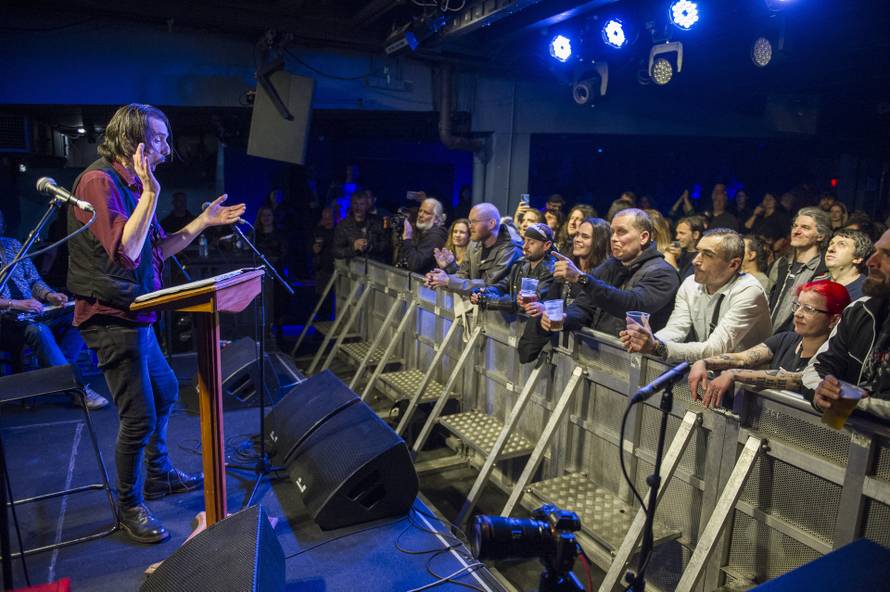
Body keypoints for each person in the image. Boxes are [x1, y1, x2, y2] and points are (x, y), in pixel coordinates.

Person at [69, 103, 246, 544]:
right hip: (111, 319)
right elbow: (126, 252)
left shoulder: (131, 184)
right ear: (134, 142)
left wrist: (202, 222)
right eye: (161, 139)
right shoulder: (98, 182)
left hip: (136, 315)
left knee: (166, 392)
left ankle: (160, 473)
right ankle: (129, 505)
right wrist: (150, 193)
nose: (168, 148)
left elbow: (155, 252)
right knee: (138, 418)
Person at [0, 211, 108, 409]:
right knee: (38, 331)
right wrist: (14, 303)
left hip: (32, 310)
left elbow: (33, 280)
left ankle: (59, 367)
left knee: (81, 311)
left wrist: (50, 295)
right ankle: (77, 390)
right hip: (6, 321)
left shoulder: (12, 245)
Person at [688, 280, 848, 408]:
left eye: (809, 309)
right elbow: (743, 358)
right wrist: (704, 362)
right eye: (797, 306)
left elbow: (798, 379)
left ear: (834, 320)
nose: (798, 314)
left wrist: (733, 374)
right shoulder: (786, 339)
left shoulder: (833, 358)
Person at [620, 229, 772, 363]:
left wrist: (657, 347)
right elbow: (676, 330)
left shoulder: (749, 291)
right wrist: (645, 340)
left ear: (733, 264)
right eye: (698, 252)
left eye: (707, 255)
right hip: (709, 373)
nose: (695, 260)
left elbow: (716, 349)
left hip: (748, 385)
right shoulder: (690, 284)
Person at [540, 209, 679, 337]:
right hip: (603, 354)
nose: (613, 238)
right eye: (613, 232)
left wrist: (581, 278)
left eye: (621, 232)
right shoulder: (612, 264)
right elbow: (584, 305)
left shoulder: (663, 273)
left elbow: (632, 305)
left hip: (635, 360)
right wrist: (566, 319)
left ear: (643, 237)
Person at [803, 229, 890, 421]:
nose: (871, 262)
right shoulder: (859, 310)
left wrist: (851, 401)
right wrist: (822, 390)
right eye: (876, 252)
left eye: (888, 255)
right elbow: (818, 367)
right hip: (848, 441)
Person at [425, 203, 522, 296]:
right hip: (478, 310)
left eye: (475, 222)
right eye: (470, 222)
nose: (470, 226)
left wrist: (448, 281)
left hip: (497, 312)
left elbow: (488, 284)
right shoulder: (473, 244)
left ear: (491, 223)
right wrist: (437, 278)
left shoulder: (511, 250)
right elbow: (463, 275)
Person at [769, 207, 832, 334]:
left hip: (795, 343)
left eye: (805, 227)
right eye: (795, 226)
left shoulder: (825, 271)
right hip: (766, 338)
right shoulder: (781, 264)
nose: (796, 231)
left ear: (820, 236)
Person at [471, 223, 556, 314]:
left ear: (546, 245)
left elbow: (527, 304)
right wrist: (482, 292)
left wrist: (486, 299)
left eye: (531, 243)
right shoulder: (521, 263)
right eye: (524, 240)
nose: (524, 246)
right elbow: (502, 286)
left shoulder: (551, 270)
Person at [332, 190, 388, 262]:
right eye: (355, 204)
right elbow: (336, 251)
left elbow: (386, 245)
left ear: (367, 205)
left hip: (374, 268)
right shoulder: (343, 225)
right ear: (351, 205)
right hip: (352, 269)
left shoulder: (377, 222)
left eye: (362, 204)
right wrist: (353, 248)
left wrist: (370, 246)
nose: (358, 207)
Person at [399, 197, 448, 274]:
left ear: (436, 219)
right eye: (420, 211)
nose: (420, 215)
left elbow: (415, 264)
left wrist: (407, 238)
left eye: (426, 213)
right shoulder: (424, 231)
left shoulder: (435, 237)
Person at [825, 229, 872, 301]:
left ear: (858, 258)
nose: (830, 249)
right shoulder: (818, 284)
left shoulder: (866, 294)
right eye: (831, 244)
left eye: (842, 244)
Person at [664, 215, 705, 280]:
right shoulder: (681, 253)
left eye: (682, 233)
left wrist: (671, 261)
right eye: (677, 233)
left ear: (695, 235)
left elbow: (683, 282)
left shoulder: (701, 258)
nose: (677, 237)